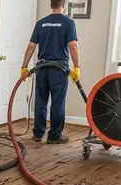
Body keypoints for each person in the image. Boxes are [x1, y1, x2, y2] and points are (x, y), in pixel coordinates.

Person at [21, 0, 80, 144]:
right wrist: (77, 67)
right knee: (58, 102)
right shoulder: (68, 23)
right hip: (59, 69)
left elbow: (31, 46)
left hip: (41, 68)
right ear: (63, 4)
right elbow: (73, 46)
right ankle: (54, 136)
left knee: (40, 101)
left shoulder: (41, 23)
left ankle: (38, 134)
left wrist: (24, 66)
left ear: (51, 5)